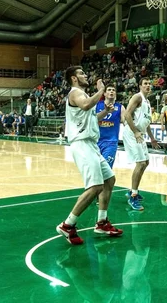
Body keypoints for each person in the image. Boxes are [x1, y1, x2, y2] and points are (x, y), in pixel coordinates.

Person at [56, 66, 122, 245]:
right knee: (95, 187)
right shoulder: (75, 93)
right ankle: (68, 224)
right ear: (74, 78)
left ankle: (101, 222)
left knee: (109, 180)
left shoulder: (83, 95)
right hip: (82, 144)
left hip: (91, 145)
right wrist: (101, 90)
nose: (86, 75)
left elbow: (92, 117)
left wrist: (106, 112)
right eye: (82, 74)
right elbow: (86, 105)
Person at [123, 78, 161, 211]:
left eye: (149, 84)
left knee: (146, 162)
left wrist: (152, 138)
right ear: (140, 86)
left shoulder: (148, 102)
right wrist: (135, 132)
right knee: (140, 163)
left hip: (140, 133)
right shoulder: (137, 97)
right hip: (132, 133)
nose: (148, 86)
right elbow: (127, 114)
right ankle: (133, 196)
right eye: (145, 84)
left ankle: (132, 190)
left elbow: (147, 122)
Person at [96, 84, 124, 169]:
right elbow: (93, 118)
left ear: (115, 93)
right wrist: (106, 111)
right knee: (95, 168)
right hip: (95, 141)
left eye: (113, 90)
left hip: (111, 142)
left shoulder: (120, 107)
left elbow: (125, 121)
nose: (111, 91)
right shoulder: (97, 105)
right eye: (109, 90)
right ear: (104, 93)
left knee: (106, 169)